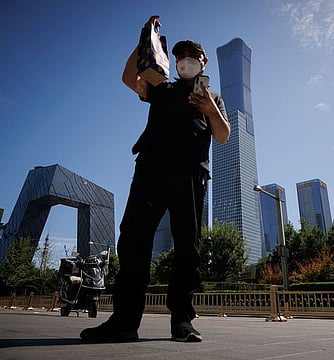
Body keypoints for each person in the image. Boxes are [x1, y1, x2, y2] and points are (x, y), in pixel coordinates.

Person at [80, 15, 230, 343]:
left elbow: (222, 136)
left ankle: (182, 322)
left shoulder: (213, 98)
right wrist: (144, 42)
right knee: (134, 241)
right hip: (151, 169)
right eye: (179, 57)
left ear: (202, 62)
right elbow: (127, 77)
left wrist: (210, 110)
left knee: (187, 250)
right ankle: (124, 321)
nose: (184, 61)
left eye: (191, 56)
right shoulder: (163, 87)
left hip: (191, 175)